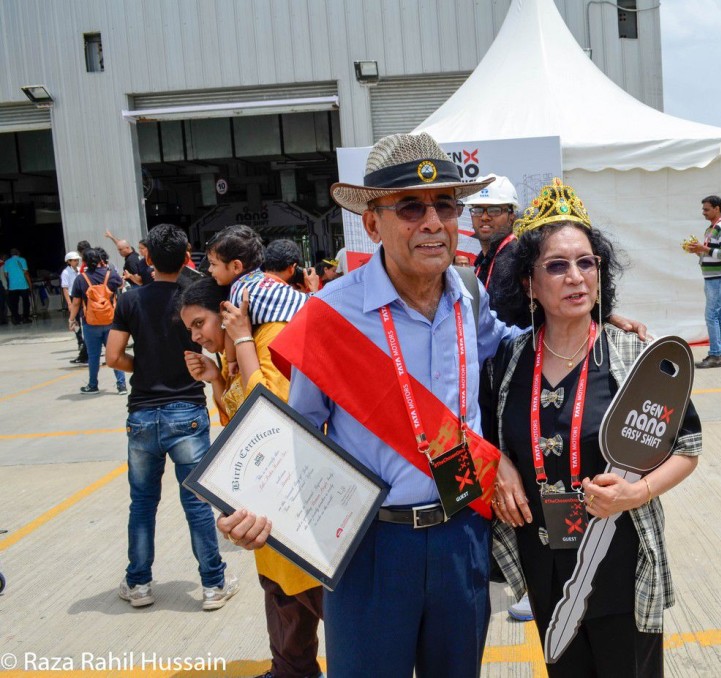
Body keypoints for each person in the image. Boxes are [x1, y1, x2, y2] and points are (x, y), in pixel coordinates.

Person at [221, 133, 507, 678]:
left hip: (461, 535)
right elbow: (297, 432)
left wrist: (588, 326)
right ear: (372, 223)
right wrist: (253, 504)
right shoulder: (329, 314)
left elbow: (510, 348)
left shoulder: (470, 292)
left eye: (446, 204)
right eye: (410, 207)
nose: (432, 221)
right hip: (370, 545)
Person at [484, 178, 702, 677]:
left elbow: (687, 448)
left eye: (587, 263)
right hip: (544, 561)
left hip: (620, 559)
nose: (576, 277)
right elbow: (484, 436)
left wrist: (636, 492)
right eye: (557, 266)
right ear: (528, 284)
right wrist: (499, 463)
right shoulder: (508, 362)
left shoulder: (633, 356)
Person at [180, 275, 323, 678]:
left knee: (324, 603)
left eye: (199, 324)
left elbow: (271, 413)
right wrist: (216, 377)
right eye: (189, 329)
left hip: (301, 506)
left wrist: (241, 343)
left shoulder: (268, 337)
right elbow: (234, 423)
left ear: (226, 314)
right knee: (283, 601)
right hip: (269, 511)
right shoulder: (232, 354)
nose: (196, 337)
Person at [103, 224, 238, 611]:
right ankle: (213, 585)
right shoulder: (194, 299)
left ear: (146, 258)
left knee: (142, 504)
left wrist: (142, 365)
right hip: (187, 412)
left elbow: (113, 357)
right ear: (186, 258)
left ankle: (139, 584)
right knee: (196, 501)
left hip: (142, 413)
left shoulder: (130, 300)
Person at [68, 249, 126, 395]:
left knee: (93, 356)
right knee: (114, 353)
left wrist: (71, 319)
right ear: (101, 259)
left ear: (85, 262)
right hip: (111, 321)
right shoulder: (110, 274)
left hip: (90, 322)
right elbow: (121, 285)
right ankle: (122, 386)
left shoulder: (81, 279)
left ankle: (93, 385)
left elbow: (76, 303)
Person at [684, 195, 721, 368]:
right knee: (718, 315)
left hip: (718, 278)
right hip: (713, 277)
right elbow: (711, 253)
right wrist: (697, 251)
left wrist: (703, 248)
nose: (703, 212)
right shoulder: (711, 229)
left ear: (717, 208)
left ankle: (715, 355)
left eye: (706, 209)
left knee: (711, 315)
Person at [466, 174, 519, 289]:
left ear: (511, 217)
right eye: (478, 210)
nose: (484, 217)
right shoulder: (483, 262)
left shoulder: (517, 261)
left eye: (494, 210)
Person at [60, 251, 88, 365]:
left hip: (81, 296)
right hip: (73, 297)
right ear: (69, 261)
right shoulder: (65, 272)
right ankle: (80, 341)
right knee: (75, 321)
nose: (77, 262)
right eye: (74, 260)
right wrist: (69, 303)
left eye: (77, 260)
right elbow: (65, 288)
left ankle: (86, 342)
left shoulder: (80, 270)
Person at [3, 248, 32, 324]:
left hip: (12, 286)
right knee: (26, 302)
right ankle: (25, 318)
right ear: (18, 253)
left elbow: (6, 274)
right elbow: (26, 272)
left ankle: (16, 318)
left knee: (14, 303)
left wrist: (11, 279)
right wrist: (30, 284)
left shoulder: (7, 262)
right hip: (23, 285)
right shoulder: (22, 260)